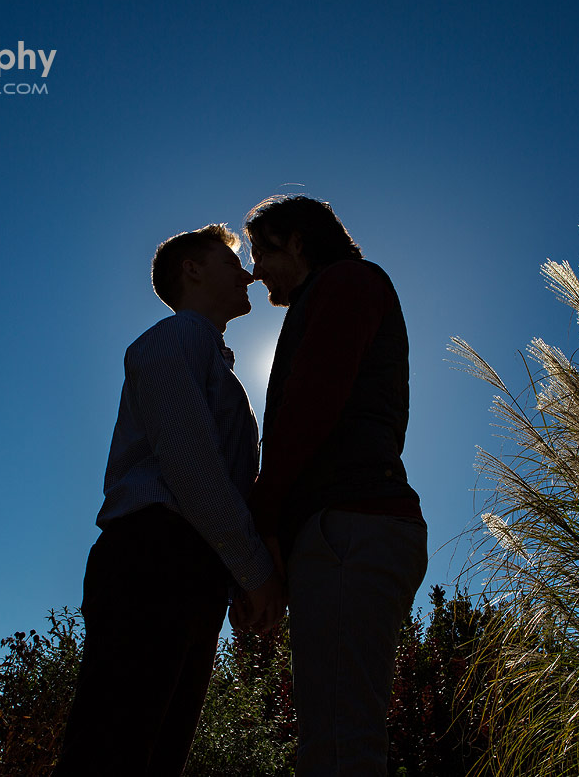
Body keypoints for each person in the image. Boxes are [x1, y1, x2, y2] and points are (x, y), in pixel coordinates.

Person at [55, 224, 283, 776]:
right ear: (192, 270)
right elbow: (190, 464)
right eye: (231, 263)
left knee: (155, 751)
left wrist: (232, 578)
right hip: (155, 555)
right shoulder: (178, 336)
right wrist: (253, 571)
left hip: (187, 565)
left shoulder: (213, 361)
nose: (247, 272)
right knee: (117, 748)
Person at [244, 195, 428, 776]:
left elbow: (309, 406)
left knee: (340, 748)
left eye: (262, 251)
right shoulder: (338, 292)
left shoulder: (348, 282)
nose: (255, 271)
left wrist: (264, 519)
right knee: (329, 741)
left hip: (352, 526)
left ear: (298, 241)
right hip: (347, 530)